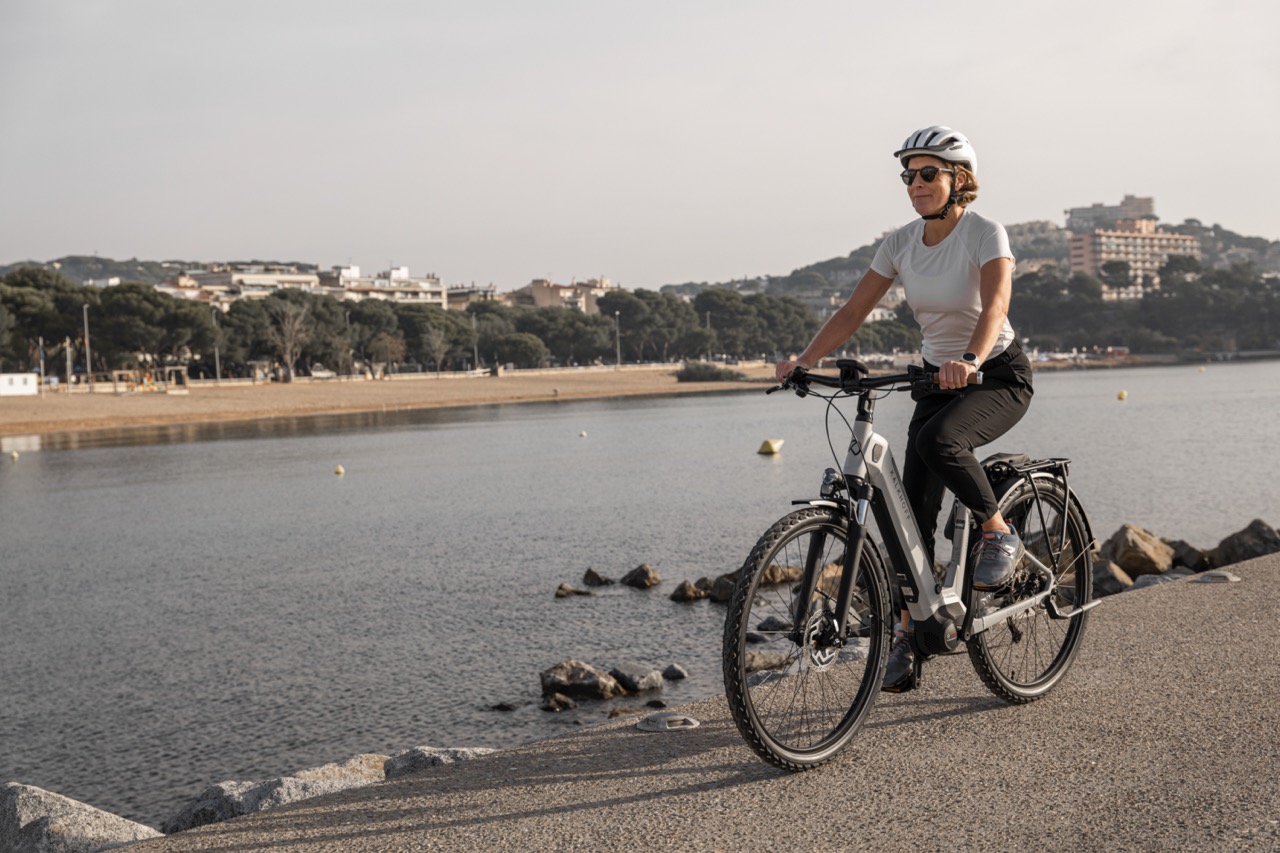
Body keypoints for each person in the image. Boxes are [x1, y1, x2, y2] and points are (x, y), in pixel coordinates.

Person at [774, 125, 1035, 691]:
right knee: (906, 520)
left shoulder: (984, 233)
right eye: (908, 175)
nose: (915, 184)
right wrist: (804, 360)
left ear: (959, 180)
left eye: (927, 173)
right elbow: (852, 312)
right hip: (935, 380)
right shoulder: (900, 243)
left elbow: (996, 306)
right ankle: (907, 634)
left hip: (995, 375)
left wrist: (970, 358)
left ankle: (998, 531)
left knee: (939, 441)